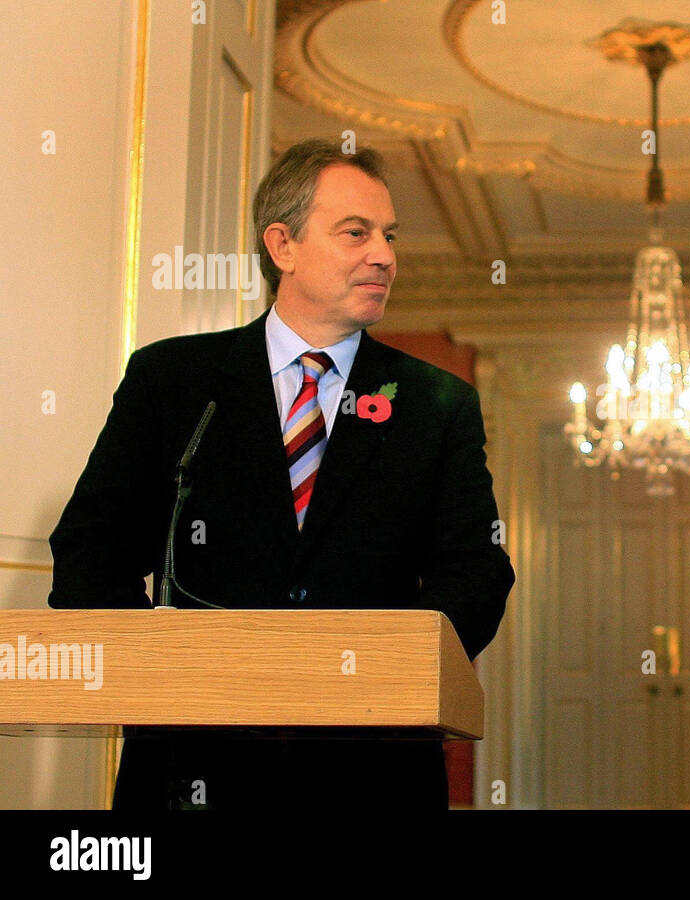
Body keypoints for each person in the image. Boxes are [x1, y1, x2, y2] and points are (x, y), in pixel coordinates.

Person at [48, 138, 514, 811]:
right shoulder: (173, 382)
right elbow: (90, 552)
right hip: (193, 768)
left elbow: (477, 572)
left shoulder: (437, 404)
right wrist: (160, 673)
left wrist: (376, 674)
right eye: (355, 232)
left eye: (388, 236)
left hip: (372, 775)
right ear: (283, 245)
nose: (383, 254)